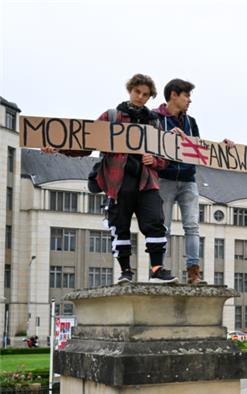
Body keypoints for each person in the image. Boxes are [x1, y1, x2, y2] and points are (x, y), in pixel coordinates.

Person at [42, 74, 176, 284]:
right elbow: (86, 143)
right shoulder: (111, 117)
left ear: (150, 97)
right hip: (118, 182)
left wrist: (155, 161)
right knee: (119, 226)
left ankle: (157, 268)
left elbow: (166, 158)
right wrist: (58, 146)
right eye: (137, 92)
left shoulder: (154, 122)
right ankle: (125, 272)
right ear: (130, 90)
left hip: (146, 181)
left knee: (155, 223)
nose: (140, 97)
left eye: (145, 94)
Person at [154, 79, 234, 285]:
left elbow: (198, 148)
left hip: (188, 179)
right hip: (165, 178)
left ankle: (193, 272)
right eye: (186, 95)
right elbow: (149, 143)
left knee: (192, 226)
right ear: (173, 95)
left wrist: (220, 148)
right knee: (163, 227)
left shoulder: (191, 122)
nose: (190, 100)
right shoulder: (155, 118)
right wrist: (167, 138)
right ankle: (158, 268)